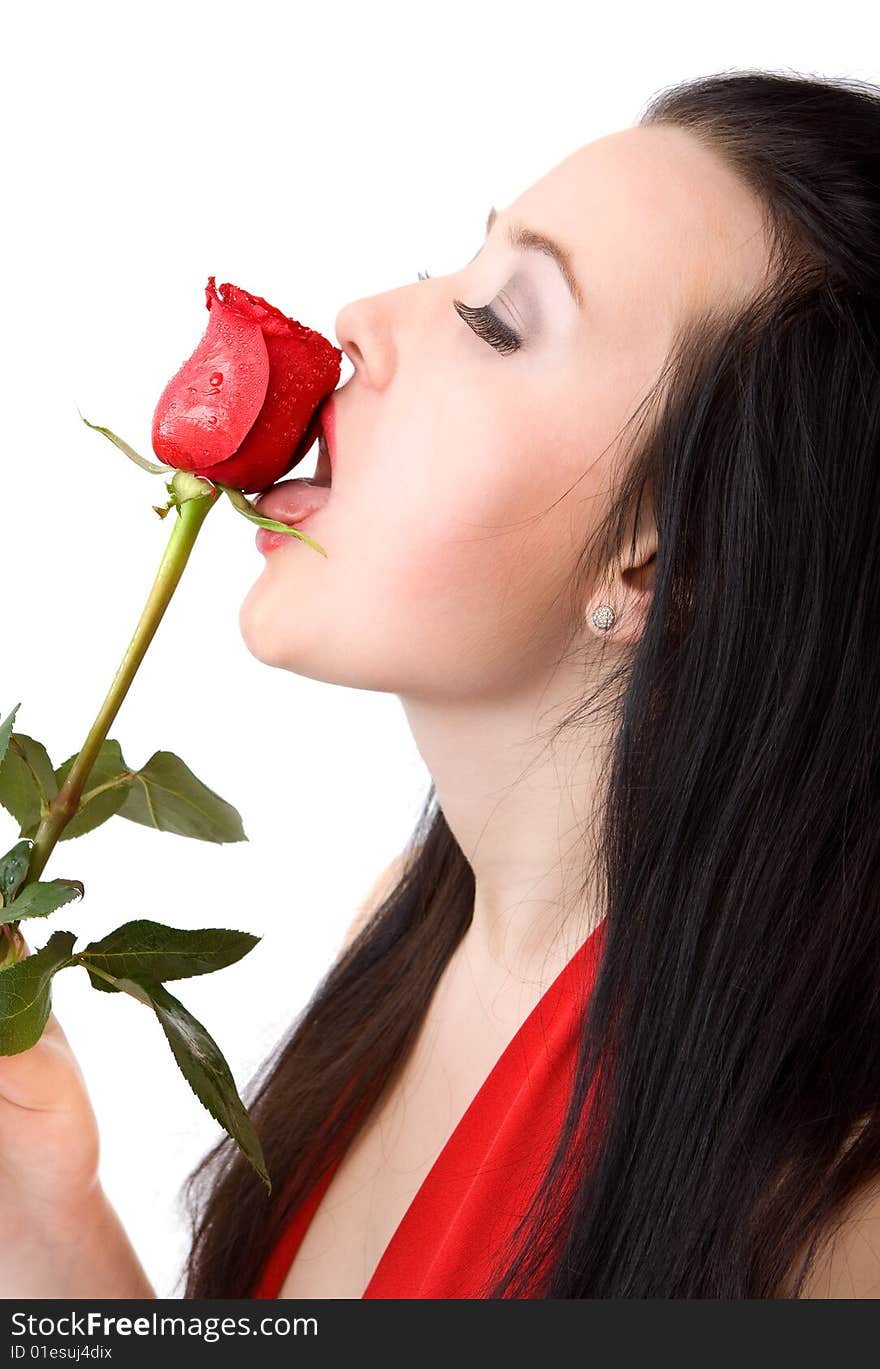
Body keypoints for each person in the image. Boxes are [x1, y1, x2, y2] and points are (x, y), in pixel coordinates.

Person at [4, 67, 880, 1300]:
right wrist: (51, 1216)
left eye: (495, 321)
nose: (360, 319)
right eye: (455, 270)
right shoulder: (401, 937)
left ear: (672, 562)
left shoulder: (830, 1216)